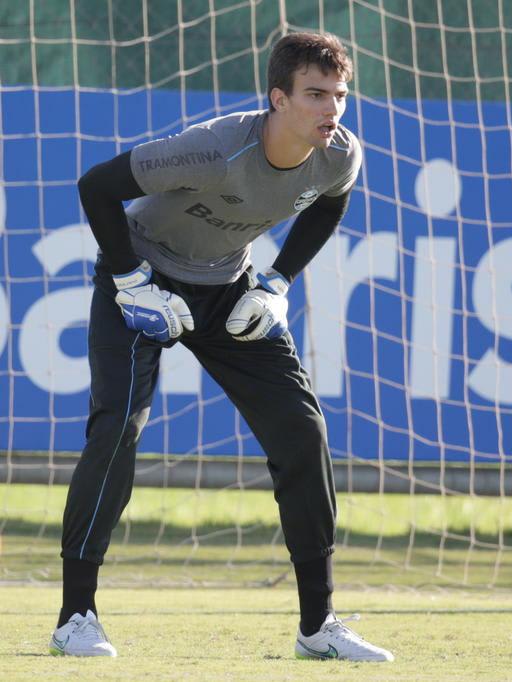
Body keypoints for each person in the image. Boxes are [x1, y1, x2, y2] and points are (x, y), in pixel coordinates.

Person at [47, 31, 393, 663]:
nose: (332, 109)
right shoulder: (215, 147)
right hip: (142, 277)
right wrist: (129, 282)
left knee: (302, 429)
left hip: (228, 288)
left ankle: (318, 627)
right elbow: (97, 185)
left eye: (340, 95)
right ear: (277, 99)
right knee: (117, 427)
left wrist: (279, 282)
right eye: (315, 95)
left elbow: (326, 208)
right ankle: (76, 617)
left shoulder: (340, 155)